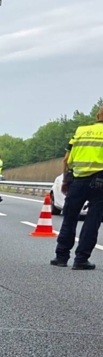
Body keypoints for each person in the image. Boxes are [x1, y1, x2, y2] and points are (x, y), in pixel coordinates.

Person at [51, 106, 103, 270]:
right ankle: (81, 259)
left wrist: (66, 179)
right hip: (100, 181)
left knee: (69, 217)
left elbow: (66, 159)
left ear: (97, 115)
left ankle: (61, 257)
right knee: (92, 221)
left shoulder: (80, 131)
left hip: (77, 180)